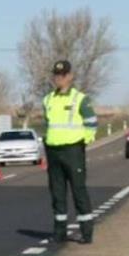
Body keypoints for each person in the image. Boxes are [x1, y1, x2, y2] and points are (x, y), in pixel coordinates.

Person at [43, 60, 98, 244]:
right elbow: (48, 123)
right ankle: (59, 233)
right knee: (57, 193)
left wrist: (85, 140)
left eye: (63, 75)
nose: (59, 78)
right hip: (53, 150)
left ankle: (86, 232)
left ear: (70, 76)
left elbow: (91, 122)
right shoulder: (48, 99)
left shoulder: (80, 98)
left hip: (73, 150)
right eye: (56, 75)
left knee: (78, 191)